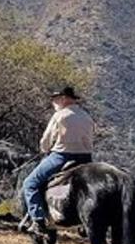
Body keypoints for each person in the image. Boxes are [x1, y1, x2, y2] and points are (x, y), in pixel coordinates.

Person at [21, 87, 94, 235]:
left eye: (55, 98)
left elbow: (46, 141)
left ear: (64, 99)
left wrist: (44, 148)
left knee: (30, 184)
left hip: (62, 156)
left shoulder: (60, 116)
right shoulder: (87, 117)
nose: (53, 102)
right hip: (86, 158)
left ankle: (38, 220)